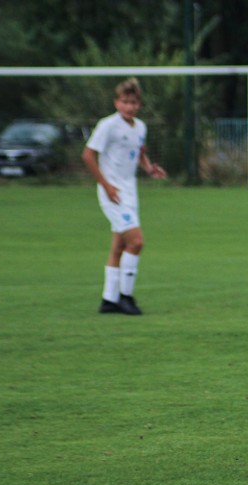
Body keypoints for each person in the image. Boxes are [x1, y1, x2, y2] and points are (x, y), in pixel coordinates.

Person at [82, 77, 167, 315]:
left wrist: (149, 168)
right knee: (136, 242)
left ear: (138, 105)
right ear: (116, 103)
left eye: (133, 102)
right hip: (113, 193)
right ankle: (126, 297)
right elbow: (88, 155)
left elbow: (138, 153)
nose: (128, 106)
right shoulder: (107, 125)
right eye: (124, 101)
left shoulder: (140, 127)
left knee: (119, 246)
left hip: (130, 192)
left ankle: (109, 300)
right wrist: (106, 185)